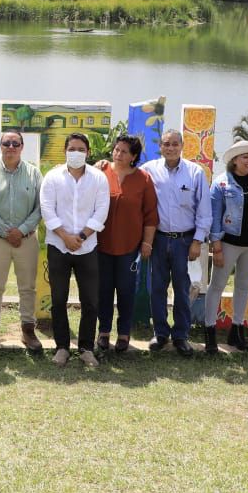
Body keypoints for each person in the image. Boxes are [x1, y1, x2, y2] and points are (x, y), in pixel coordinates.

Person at [40, 133, 110, 366]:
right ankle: (62, 347)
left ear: (88, 152)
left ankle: (86, 348)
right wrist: (65, 237)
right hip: (58, 246)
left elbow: (101, 210)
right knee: (58, 299)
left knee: (90, 300)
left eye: (81, 149)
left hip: (87, 246)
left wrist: (80, 237)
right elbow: (47, 209)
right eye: (72, 149)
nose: (76, 153)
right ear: (65, 151)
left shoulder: (99, 178)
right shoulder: (52, 177)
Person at [141, 129, 212, 357]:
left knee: (182, 289)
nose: (170, 148)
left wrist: (197, 241)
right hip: (159, 240)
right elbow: (127, 175)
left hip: (185, 241)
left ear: (182, 146)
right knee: (157, 288)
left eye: (174, 144)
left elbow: (204, 211)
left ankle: (181, 335)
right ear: (160, 147)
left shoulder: (195, 172)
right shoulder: (148, 170)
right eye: (166, 144)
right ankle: (161, 333)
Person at [0, 131, 43, 350]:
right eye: (7, 143)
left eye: (15, 143)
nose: (11, 147)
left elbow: (40, 207)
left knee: (28, 287)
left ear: (22, 146)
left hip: (27, 240)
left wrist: (21, 231)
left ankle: (28, 331)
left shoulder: (34, 173)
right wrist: (7, 232)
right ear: (1, 145)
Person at [205, 140, 248, 354]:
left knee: (243, 286)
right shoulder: (221, 183)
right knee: (217, 286)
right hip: (229, 242)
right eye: (245, 156)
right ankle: (209, 332)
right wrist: (216, 247)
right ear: (234, 160)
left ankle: (236, 331)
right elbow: (215, 216)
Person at [94, 134, 158, 354]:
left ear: (134, 156)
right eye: (116, 149)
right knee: (103, 290)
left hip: (129, 248)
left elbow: (150, 215)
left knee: (126, 291)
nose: (118, 154)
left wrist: (147, 243)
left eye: (124, 151)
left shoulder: (144, 179)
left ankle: (123, 333)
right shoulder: (100, 172)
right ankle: (103, 332)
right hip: (100, 245)